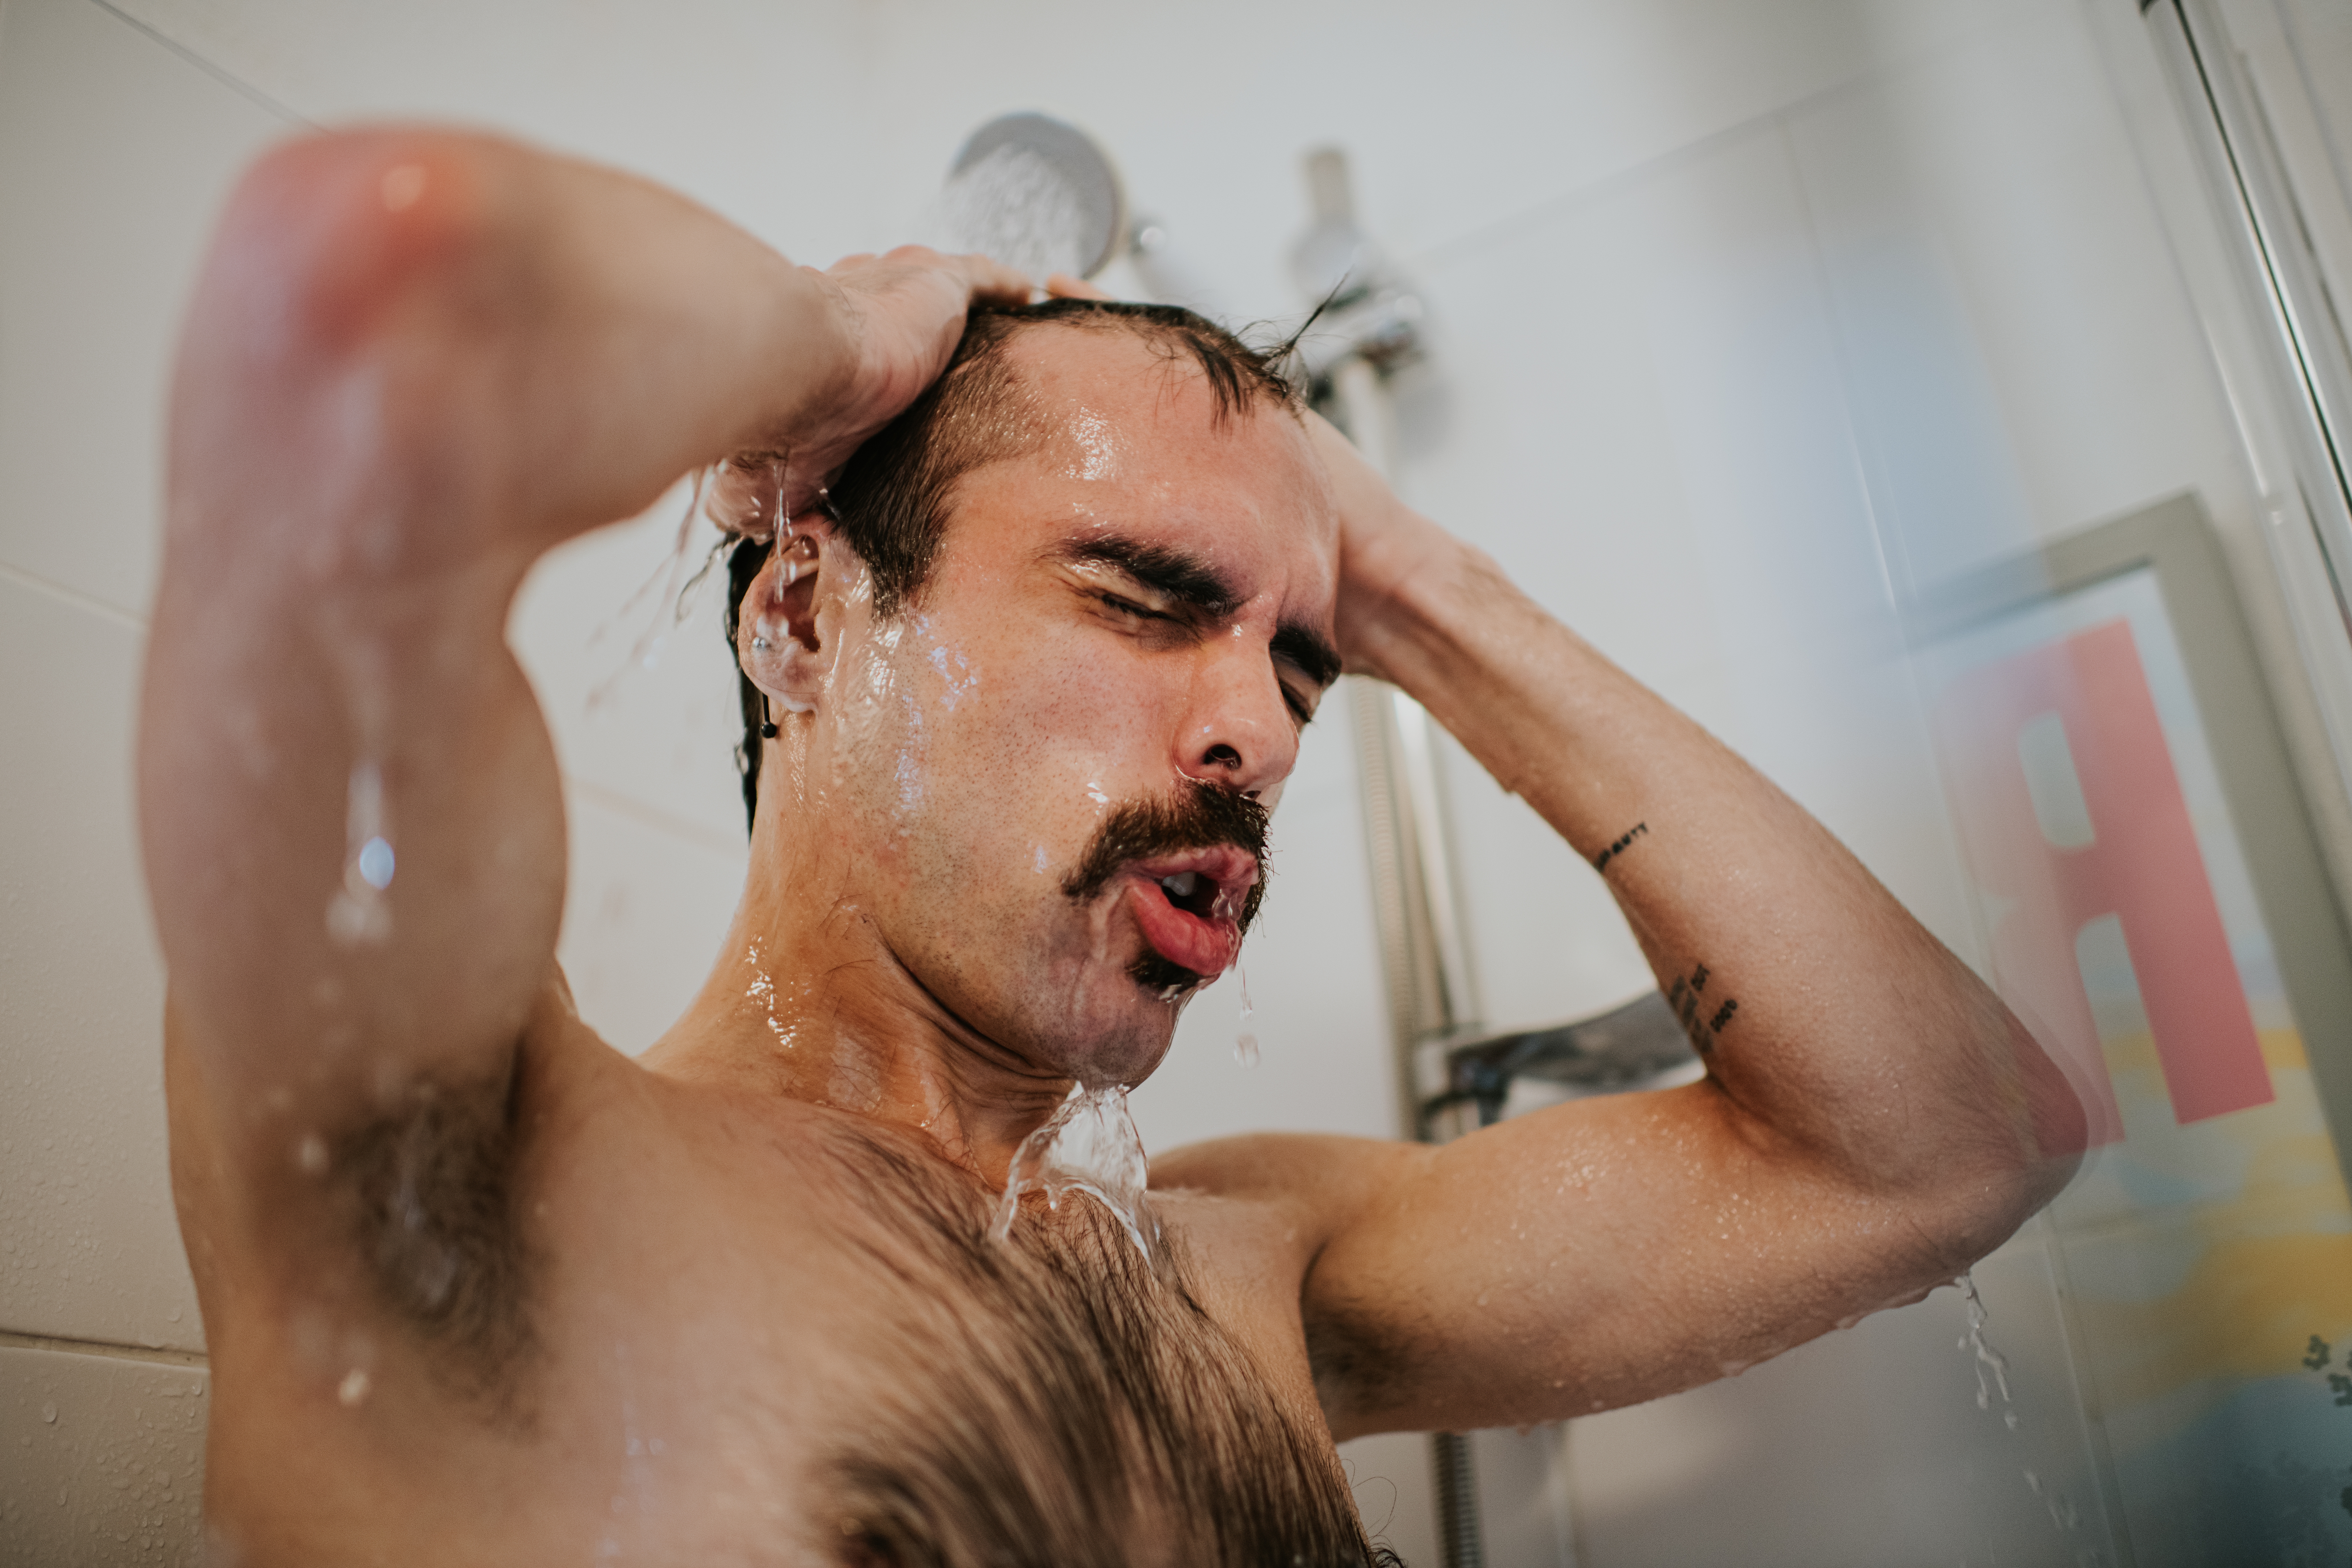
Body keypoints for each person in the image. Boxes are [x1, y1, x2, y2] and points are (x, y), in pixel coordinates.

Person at [143, 126, 2085, 1567]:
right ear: (803, 623)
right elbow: (371, 306)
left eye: (1307, 669)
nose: (1259, 729)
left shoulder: (1255, 1269)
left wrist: (1418, 586)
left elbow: (1952, 1139)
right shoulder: (483, 1179)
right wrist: (834, 347)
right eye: (1148, 595)